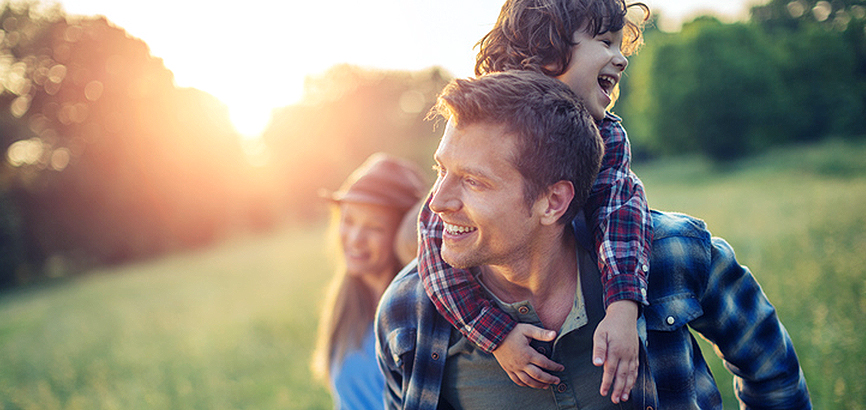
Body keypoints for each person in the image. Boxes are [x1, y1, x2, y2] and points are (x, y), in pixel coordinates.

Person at [376, 71, 811, 409]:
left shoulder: (672, 253)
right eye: (441, 170)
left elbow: (773, 372)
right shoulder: (407, 312)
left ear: (553, 201)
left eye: (473, 181)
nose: (437, 204)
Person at [417, 0, 651, 403]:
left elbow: (620, 212)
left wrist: (622, 308)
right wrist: (497, 335)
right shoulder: (483, 129)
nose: (620, 59)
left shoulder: (607, 136)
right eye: (605, 42)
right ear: (547, 50)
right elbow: (438, 251)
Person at [312, 153, 428, 410]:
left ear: (403, 235)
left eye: (374, 228)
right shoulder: (347, 302)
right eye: (348, 220)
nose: (355, 238)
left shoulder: (419, 314)